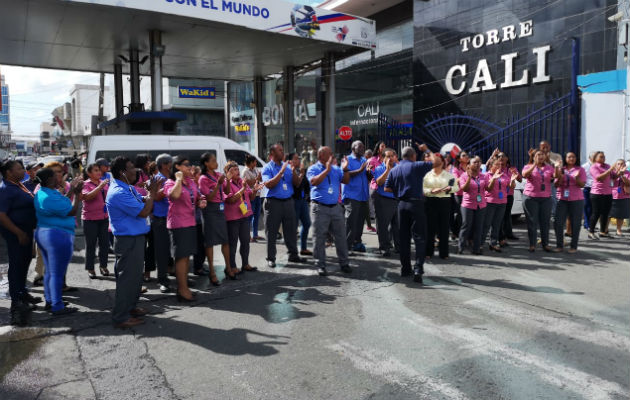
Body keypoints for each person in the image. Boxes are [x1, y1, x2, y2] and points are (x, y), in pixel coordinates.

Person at [106, 156, 160, 328]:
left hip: (135, 238)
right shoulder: (119, 192)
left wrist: (147, 194)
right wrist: (152, 193)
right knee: (127, 279)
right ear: (122, 172)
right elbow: (144, 212)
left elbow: (141, 201)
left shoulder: (127, 188)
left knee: (135, 278)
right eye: (131, 168)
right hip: (128, 240)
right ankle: (121, 317)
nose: (136, 171)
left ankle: (131, 307)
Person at [33, 168, 82, 315]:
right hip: (56, 235)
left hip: (50, 234)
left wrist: (72, 190)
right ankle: (57, 305)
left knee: (50, 272)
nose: (59, 178)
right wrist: (78, 194)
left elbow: (63, 200)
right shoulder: (47, 196)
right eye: (56, 176)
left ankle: (51, 300)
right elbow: (71, 211)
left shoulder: (48, 192)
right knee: (56, 273)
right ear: (49, 179)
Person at [384, 145, 433, 283]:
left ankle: (405, 268)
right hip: (416, 204)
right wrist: (427, 150)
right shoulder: (416, 166)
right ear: (413, 156)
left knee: (404, 238)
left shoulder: (394, 169)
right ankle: (418, 269)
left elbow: (386, 188)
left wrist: (399, 191)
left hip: (401, 204)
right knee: (419, 237)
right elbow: (436, 162)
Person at [0, 160, 40, 326]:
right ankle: (16, 303)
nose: (23, 170)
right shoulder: (5, 189)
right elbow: (1, 215)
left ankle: (22, 293)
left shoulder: (18, 185)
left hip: (26, 232)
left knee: (24, 262)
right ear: (9, 172)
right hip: (16, 234)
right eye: (20, 168)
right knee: (16, 264)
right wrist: (18, 232)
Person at [163, 156, 207, 302]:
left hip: (190, 223)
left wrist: (201, 201)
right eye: (186, 165)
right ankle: (181, 290)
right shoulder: (170, 182)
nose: (190, 167)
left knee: (187, 257)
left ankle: (184, 287)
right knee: (181, 258)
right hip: (179, 225)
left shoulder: (191, 182)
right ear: (177, 167)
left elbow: (198, 196)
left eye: (190, 164)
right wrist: (179, 179)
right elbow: (174, 195)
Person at [307, 146, 351, 276]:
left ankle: (344, 263)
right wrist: (326, 170)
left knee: (341, 237)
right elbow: (314, 182)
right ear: (321, 156)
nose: (332, 155)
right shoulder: (313, 169)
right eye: (330, 153)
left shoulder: (336, 169)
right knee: (319, 238)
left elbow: (346, 180)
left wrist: (346, 168)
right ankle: (320, 265)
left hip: (335, 207)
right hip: (320, 208)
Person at [261, 143, 305, 268]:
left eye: (282, 150)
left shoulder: (287, 167)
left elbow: (296, 183)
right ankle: (271, 258)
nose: (283, 152)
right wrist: (280, 172)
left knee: (291, 231)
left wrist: (294, 171)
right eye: (280, 150)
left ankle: (293, 255)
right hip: (273, 202)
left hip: (288, 202)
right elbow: (269, 184)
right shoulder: (267, 168)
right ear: (272, 154)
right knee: (272, 232)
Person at [199, 152, 233, 283]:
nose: (216, 162)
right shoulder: (203, 179)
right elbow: (208, 198)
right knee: (210, 242)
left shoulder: (219, 175)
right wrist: (218, 184)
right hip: (210, 210)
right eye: (212, 160)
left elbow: (227, 191)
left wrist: (228, 180)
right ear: (206, 163)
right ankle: (212, 272)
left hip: (220, 209)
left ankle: (228, 268)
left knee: (225, 240)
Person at [224, 161, 262, 275]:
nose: (237, 171)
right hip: (233, 218)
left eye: (237, 169)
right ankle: (232, 266)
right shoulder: (227, 184)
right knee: (233, 243)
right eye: (234, 170)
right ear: (228, 172)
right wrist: (242, 189)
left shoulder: (241, 181)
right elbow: (230, 200)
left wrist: (255, 190)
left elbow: (251, 197)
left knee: (245, 241)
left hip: (245, 215)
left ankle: (245, 264)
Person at [522, 149, 557, 252]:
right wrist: (534, 165)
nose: (540, 157)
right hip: (531, 197)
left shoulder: (549, 168)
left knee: (545, 222)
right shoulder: (528, 166)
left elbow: (556, 177)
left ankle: (545, 244)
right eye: (538, 155)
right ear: (533, 157)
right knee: (532, 222)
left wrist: (557, 167)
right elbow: (524, 175)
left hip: (546, 198)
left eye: (542, 155)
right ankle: (532, 244)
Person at [423, 153, 458, 259]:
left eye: (438, 160)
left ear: (443, 162)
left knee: (444, 228)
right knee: (430, 228)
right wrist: (431, 191)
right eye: (434, 160)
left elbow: (456, 187)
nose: (435, 162)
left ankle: (444, 253)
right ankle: (428, 252)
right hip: (431, 201)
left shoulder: (449, 175)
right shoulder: (428, 175)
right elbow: (423, 189)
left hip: (445, 201)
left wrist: (450, 189)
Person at [149, 154, 174, 292]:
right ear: (164, 165)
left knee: (171, 251)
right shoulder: (158, 179)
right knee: (162, 252)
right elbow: (156, 196)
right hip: (160, 220)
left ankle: (172, 275)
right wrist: (169, 188)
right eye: (170, 163)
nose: (172, 165)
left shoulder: (170, 178)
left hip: (172, 218)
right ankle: (162, 280)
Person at [81, 163, 110, 278]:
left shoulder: (104, 183)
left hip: (104, 218)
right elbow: (87, 197)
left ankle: (103, 266)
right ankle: (90, 268)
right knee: (91, 245)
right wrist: (99, 187)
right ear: (89, 173)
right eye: (96, 170)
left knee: (104, 244)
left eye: (99, 170)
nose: (99, 172)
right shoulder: (85, 184)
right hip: (90, 219)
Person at [553, 152, 586, 253]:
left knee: (575, 223)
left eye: (573, 157)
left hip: (576, 199)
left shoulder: (580, 170)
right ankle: (559, 245)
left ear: (576, 158)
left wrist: (576, 178)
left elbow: (582, 185)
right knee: (558, 223)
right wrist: (558, 172)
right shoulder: (560, 169)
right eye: (569, 157)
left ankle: (573, 246)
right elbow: (556, 185)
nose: (571, 158)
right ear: (565, 158)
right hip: (562, 199)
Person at [482, 155, 515, 252]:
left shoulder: (504, 175)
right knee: (487, 224)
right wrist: (494, 178)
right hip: (490, 202)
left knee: (497, 224)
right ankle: (480, 243)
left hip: (502, 202)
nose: (499, 166)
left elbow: (511, 186)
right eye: (496, 165)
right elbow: (488, 188)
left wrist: (512, 179)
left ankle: (493, 243)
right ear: (491, 166)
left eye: (499, 165)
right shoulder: (487, 175)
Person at [342, 140, 371, 252]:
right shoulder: (347, 159)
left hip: (363, 195)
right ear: (353, 148)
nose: (362, 149)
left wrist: (368, 172)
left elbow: (368, 177)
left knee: (360, 222)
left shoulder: (364, 160)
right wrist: (360, 170)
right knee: (350, 222)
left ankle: (357, 243)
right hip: (352, 195)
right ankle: (346, 247)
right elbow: (345, 175)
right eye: (360, 147)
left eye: (363, 147)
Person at [458, 156, 489, 255]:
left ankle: (476, 249)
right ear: (469, 165)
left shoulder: (483, 176)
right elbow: (465, 189)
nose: (477, 164)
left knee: (479, 227)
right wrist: (469, 177)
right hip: (468, 205)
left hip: (481, 205)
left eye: (479, 162)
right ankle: (461, 247)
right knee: (466, 226)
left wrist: (493, 180)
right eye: (475, 162)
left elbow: (488, 188)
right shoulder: (464, 175)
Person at [373, 148, 401, 257]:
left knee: (397, 225)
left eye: (392, 156)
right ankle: (384, 247)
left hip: (397, 200)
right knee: (383, 226)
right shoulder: (379, 168)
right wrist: (388, 170)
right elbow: (379, 182)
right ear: (383, 158)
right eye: (388, 156)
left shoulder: (398, 168)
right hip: (384, 200)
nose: (391, 158)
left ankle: (398, 247)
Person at [288, 153, 312, 256]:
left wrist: (307, 195)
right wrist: (302, 174)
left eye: (299, 158)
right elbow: (296, 184)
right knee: (293, 227)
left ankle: (303, 248)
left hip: (302, 200)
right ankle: (292, 250)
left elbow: (305, 184)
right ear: (291, 161)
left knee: (306, 223)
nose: (299, 160)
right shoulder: (289, 171)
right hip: (294, 201)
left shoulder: (300, 170)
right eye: (296, 159)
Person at [588, 151, 616, 239]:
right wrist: (610, 170)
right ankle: (591, 232)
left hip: (607, 193)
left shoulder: (607, 166)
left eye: (604, 156)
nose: (603, 158)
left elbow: (614, 177)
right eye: (601, 157)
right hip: (597, 193)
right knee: (596, 213)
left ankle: (602, 232)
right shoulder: (594, 167)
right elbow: (599, 178)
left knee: (605, 213)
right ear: (595, 158)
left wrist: (620, 172)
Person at [500, 155, 521, 243]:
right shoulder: (496, 168)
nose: (501, 158)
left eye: (503, 156)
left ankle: (509, 233)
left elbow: (520, 180)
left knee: (507, 214)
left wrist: (516, 175)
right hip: (499, 195)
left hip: (509, 195)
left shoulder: (511, 168)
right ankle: (500, 235)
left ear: (507, 158)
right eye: (499, 156)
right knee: (500, 215)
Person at [242, 154, 263, 241]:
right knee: (249, 216)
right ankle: (248, 235)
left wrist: (259, 177)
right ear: (251, 163)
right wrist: (256, 179)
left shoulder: (255, 170)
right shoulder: (245, 171)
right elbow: (249, 183)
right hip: (250, 196)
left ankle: (255, 234)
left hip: (257, 194)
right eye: (254, 162)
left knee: (257, 216)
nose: (256, 163)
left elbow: (259, 180)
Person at [368, 142, 386, 234]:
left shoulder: (387, 159)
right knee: (378, 213)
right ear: (378, 148)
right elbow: (371, 175)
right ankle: (380, 232)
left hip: (386, 190)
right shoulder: (373, 160)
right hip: (376, 188)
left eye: (385, 146)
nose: (384, 147)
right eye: (382, 146)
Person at [451, 151, 470, 239]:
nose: (466, 156)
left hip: (469, 193)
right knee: (459, 214)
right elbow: (455, 180)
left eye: (466, 155)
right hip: (459, 194)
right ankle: (455, 232)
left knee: (466, 216)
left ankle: (463, 233)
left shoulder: (470, 167)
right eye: (464, 155)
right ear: (459, 159)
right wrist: (465, 175)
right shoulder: (456, 169)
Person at [610, 159, 630, 236]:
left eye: (622, 164)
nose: (620, 165)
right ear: (615, 165)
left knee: (621, 215)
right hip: (611, 194)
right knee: (608, 214)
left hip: (623, 195)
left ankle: (618, 230)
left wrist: (623, 175)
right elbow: (611, 181)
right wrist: (618, 174)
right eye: (618, 164)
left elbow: (628, 183)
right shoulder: (611, 172)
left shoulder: (627, 173)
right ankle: (605, 229)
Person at [582, 151, 596, 231]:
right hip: (587, 188)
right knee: (587, 206)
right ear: (590, 158)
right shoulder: (585, 166)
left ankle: (590, 223)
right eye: (594, 156)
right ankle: (587, 224)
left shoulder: (598, 166)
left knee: (593, 207)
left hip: (595, 189)